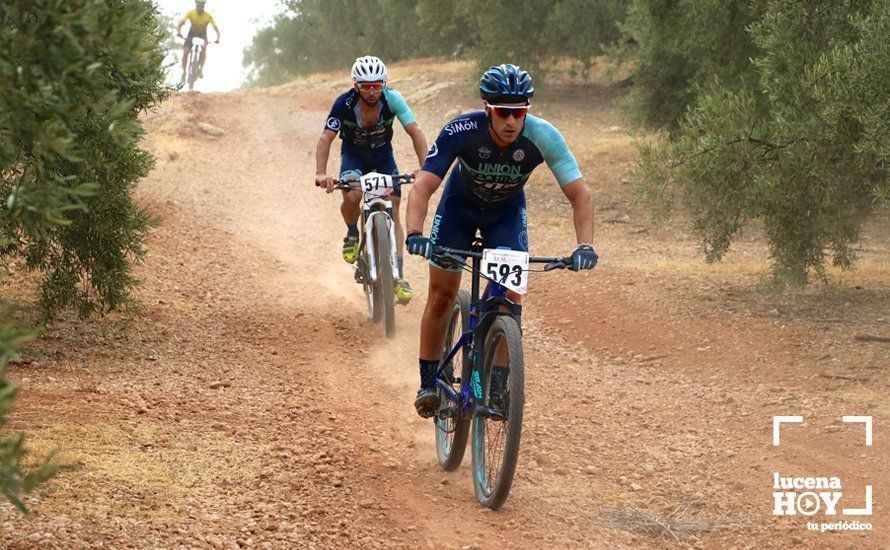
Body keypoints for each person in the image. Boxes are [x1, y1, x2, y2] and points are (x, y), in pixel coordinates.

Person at [404, 64, 598, 417]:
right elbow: (422, 187)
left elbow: (580, 196)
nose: (512, 121)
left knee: (509, 298)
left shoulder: (543, 136)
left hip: (505, 215)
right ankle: (428, 381)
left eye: (519, 112)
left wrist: (584, 245)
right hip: (458, 211)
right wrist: (415, 233)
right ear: (487, 108)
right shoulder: (461, 130)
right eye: (504, 112)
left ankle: (497, 387)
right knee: (441, 296)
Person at [316, 56, 429, 303]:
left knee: (395, 208)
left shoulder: (393, 99)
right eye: (365, 86)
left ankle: (397, 275)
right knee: (353, 195)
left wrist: (426, 167)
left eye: (377, 85)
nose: (371, 91)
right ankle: (351, 233)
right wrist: (321, 173)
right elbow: (326, 138)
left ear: (384, 84)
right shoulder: (343, 104)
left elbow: (415, 131)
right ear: (356, 86)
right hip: (353, 156)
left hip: (383, 157)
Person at [176, 0, 220, 86]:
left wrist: (217, 39)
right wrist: (178, 32)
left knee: (204, 48)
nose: (199, 8)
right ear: (196, 6)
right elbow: (181, 23)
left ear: (204, 6)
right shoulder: (191, 13)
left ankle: (200, 69)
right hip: (191, 33)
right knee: (185, 52)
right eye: (198, 6)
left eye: (201, 6)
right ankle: (184, 73)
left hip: (203, 34)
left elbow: (217, 31)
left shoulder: (208, 16)